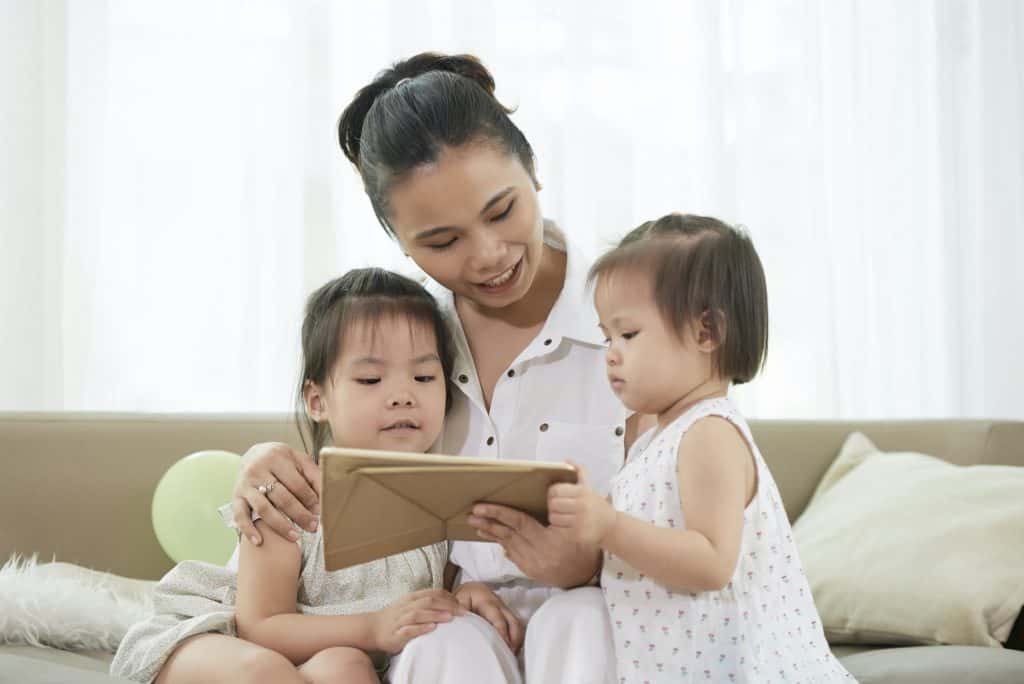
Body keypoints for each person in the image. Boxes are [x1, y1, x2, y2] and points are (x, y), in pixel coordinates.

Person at [229, 52, 630, 682]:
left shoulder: (633, 316)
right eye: (442, 242)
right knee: (443, 642)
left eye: (502, 211)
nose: (488, 256)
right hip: (457, 630)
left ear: (535, 173)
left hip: (609, 623)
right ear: (397, 238)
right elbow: (343, 435)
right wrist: (262, 462)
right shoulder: (409, 341)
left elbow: (710, 529)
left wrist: (588, 566)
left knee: (580, 620)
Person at [111, 268, 521, 684]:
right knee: (264, 672)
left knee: (347, 667)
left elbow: (436, 587)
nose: (403, 395)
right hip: (222, 636)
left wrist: (464, 595)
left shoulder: (436, 500)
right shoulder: (292, 496)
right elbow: (260, 625)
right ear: (318, 400)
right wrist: (373, 628)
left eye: (424, 377)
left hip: (324, 655)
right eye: (370, 379)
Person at [547, 213, 856, 682]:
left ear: (705, 332)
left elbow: (711, 562)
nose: (610, 352)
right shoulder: (655, 438)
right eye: (606, 336)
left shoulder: (709, 433)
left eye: (628, 334)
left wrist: (607, 524)